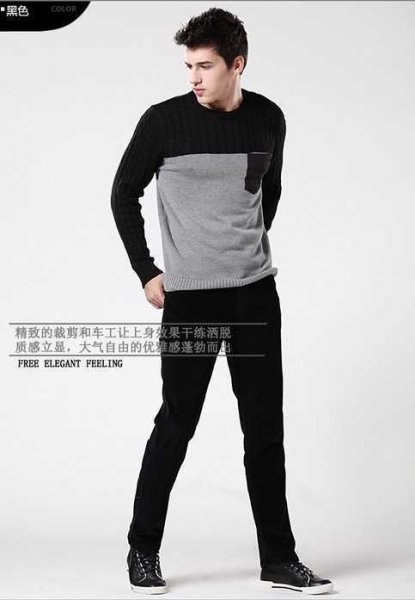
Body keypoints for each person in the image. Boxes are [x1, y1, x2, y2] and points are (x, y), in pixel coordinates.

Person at [111, 7, 334, 596]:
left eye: (205, 66)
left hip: (256, 298)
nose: (194, 77)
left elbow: (268, 192)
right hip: (191, 302)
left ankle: (279, 559)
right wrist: (147, 271)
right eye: (188, 66)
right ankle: (142, 550)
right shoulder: (163, 122)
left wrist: (240, 251)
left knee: (264, 430)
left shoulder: (268, 119)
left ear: (237, 64)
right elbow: (122, 193)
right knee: (176, 422)